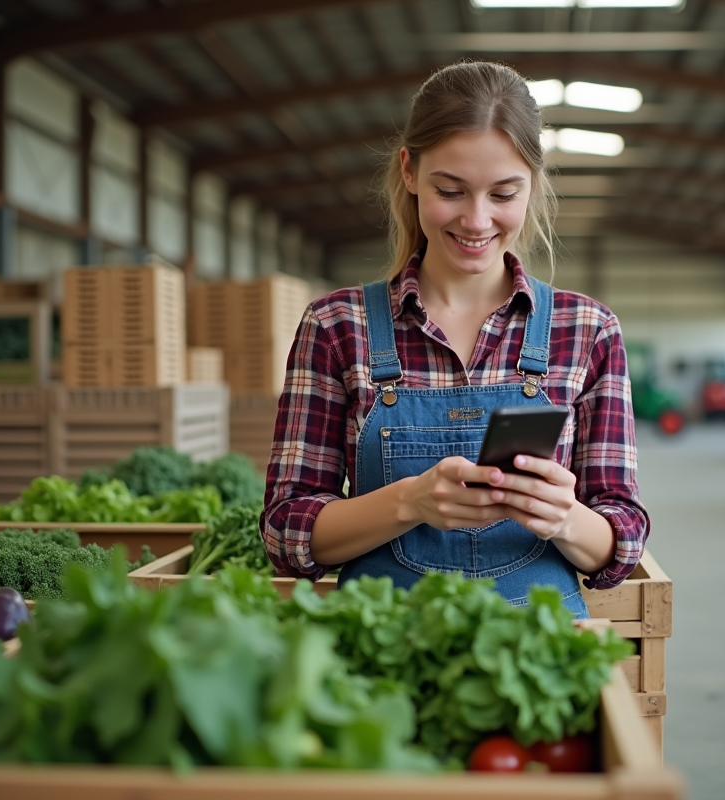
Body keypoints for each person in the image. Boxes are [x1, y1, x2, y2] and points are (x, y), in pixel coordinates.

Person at [260, 61, 649, 618]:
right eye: (451, 190)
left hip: (535, 657)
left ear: (532, 185)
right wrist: (409, 502)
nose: (476, 219)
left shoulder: (586, 330)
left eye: (503, 193)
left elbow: (624, 537)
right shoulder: (336, 326)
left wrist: (564, 517)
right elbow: (285, 530)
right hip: (382, 656)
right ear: (410, 172)